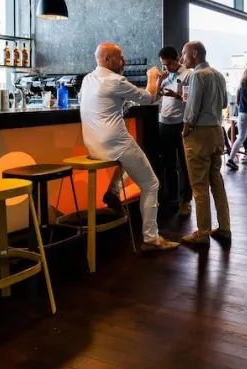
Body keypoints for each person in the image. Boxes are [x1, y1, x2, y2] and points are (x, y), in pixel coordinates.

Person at [79, 42, 178, 252]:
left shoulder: (88, 79)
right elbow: (149, 98)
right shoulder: (115, 80)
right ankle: (151, 239)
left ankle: (113, 191)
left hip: (92, 146)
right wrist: (152, 76)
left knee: (131, 158)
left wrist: (156, 83)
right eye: (120, 58)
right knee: (151, 184)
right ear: (107, 60)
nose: (123, 62)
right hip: (114, 142)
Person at [180, 41, 231, 245]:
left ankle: (202, 233)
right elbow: (225, 103)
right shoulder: (218, 75)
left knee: (199, 185)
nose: (182, 59)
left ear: (194, 53)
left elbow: (192, 108)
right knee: (216, 181)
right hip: (217, 132)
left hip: (199, 134)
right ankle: (224, 227)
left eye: (184, 54)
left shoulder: (197, 76)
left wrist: (185, 128)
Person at [157, 46, 193, 216]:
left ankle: (186, 200)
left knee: (185, 164)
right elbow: (156, 95)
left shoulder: (188, 75)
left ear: (177, 59)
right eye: (164, 65)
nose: (167, 68)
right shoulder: (165, 76)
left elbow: (191, 100)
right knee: (169, 164)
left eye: (169, 64)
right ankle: (173, 198)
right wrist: (159, 81)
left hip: (180, 124)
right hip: (164, 123)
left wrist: (175, 95)